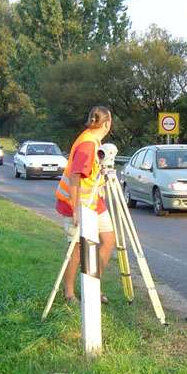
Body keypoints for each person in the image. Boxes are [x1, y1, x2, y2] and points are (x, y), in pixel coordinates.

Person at [54, 106, 117, 304]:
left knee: (108, 240)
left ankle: (92, 286)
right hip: (77, 203)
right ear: (107, 123)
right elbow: (75, 177)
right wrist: (75, 210)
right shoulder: (87, 144)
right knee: (78, 248)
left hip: (94, 201)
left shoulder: (93, 140)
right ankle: (69, 293)